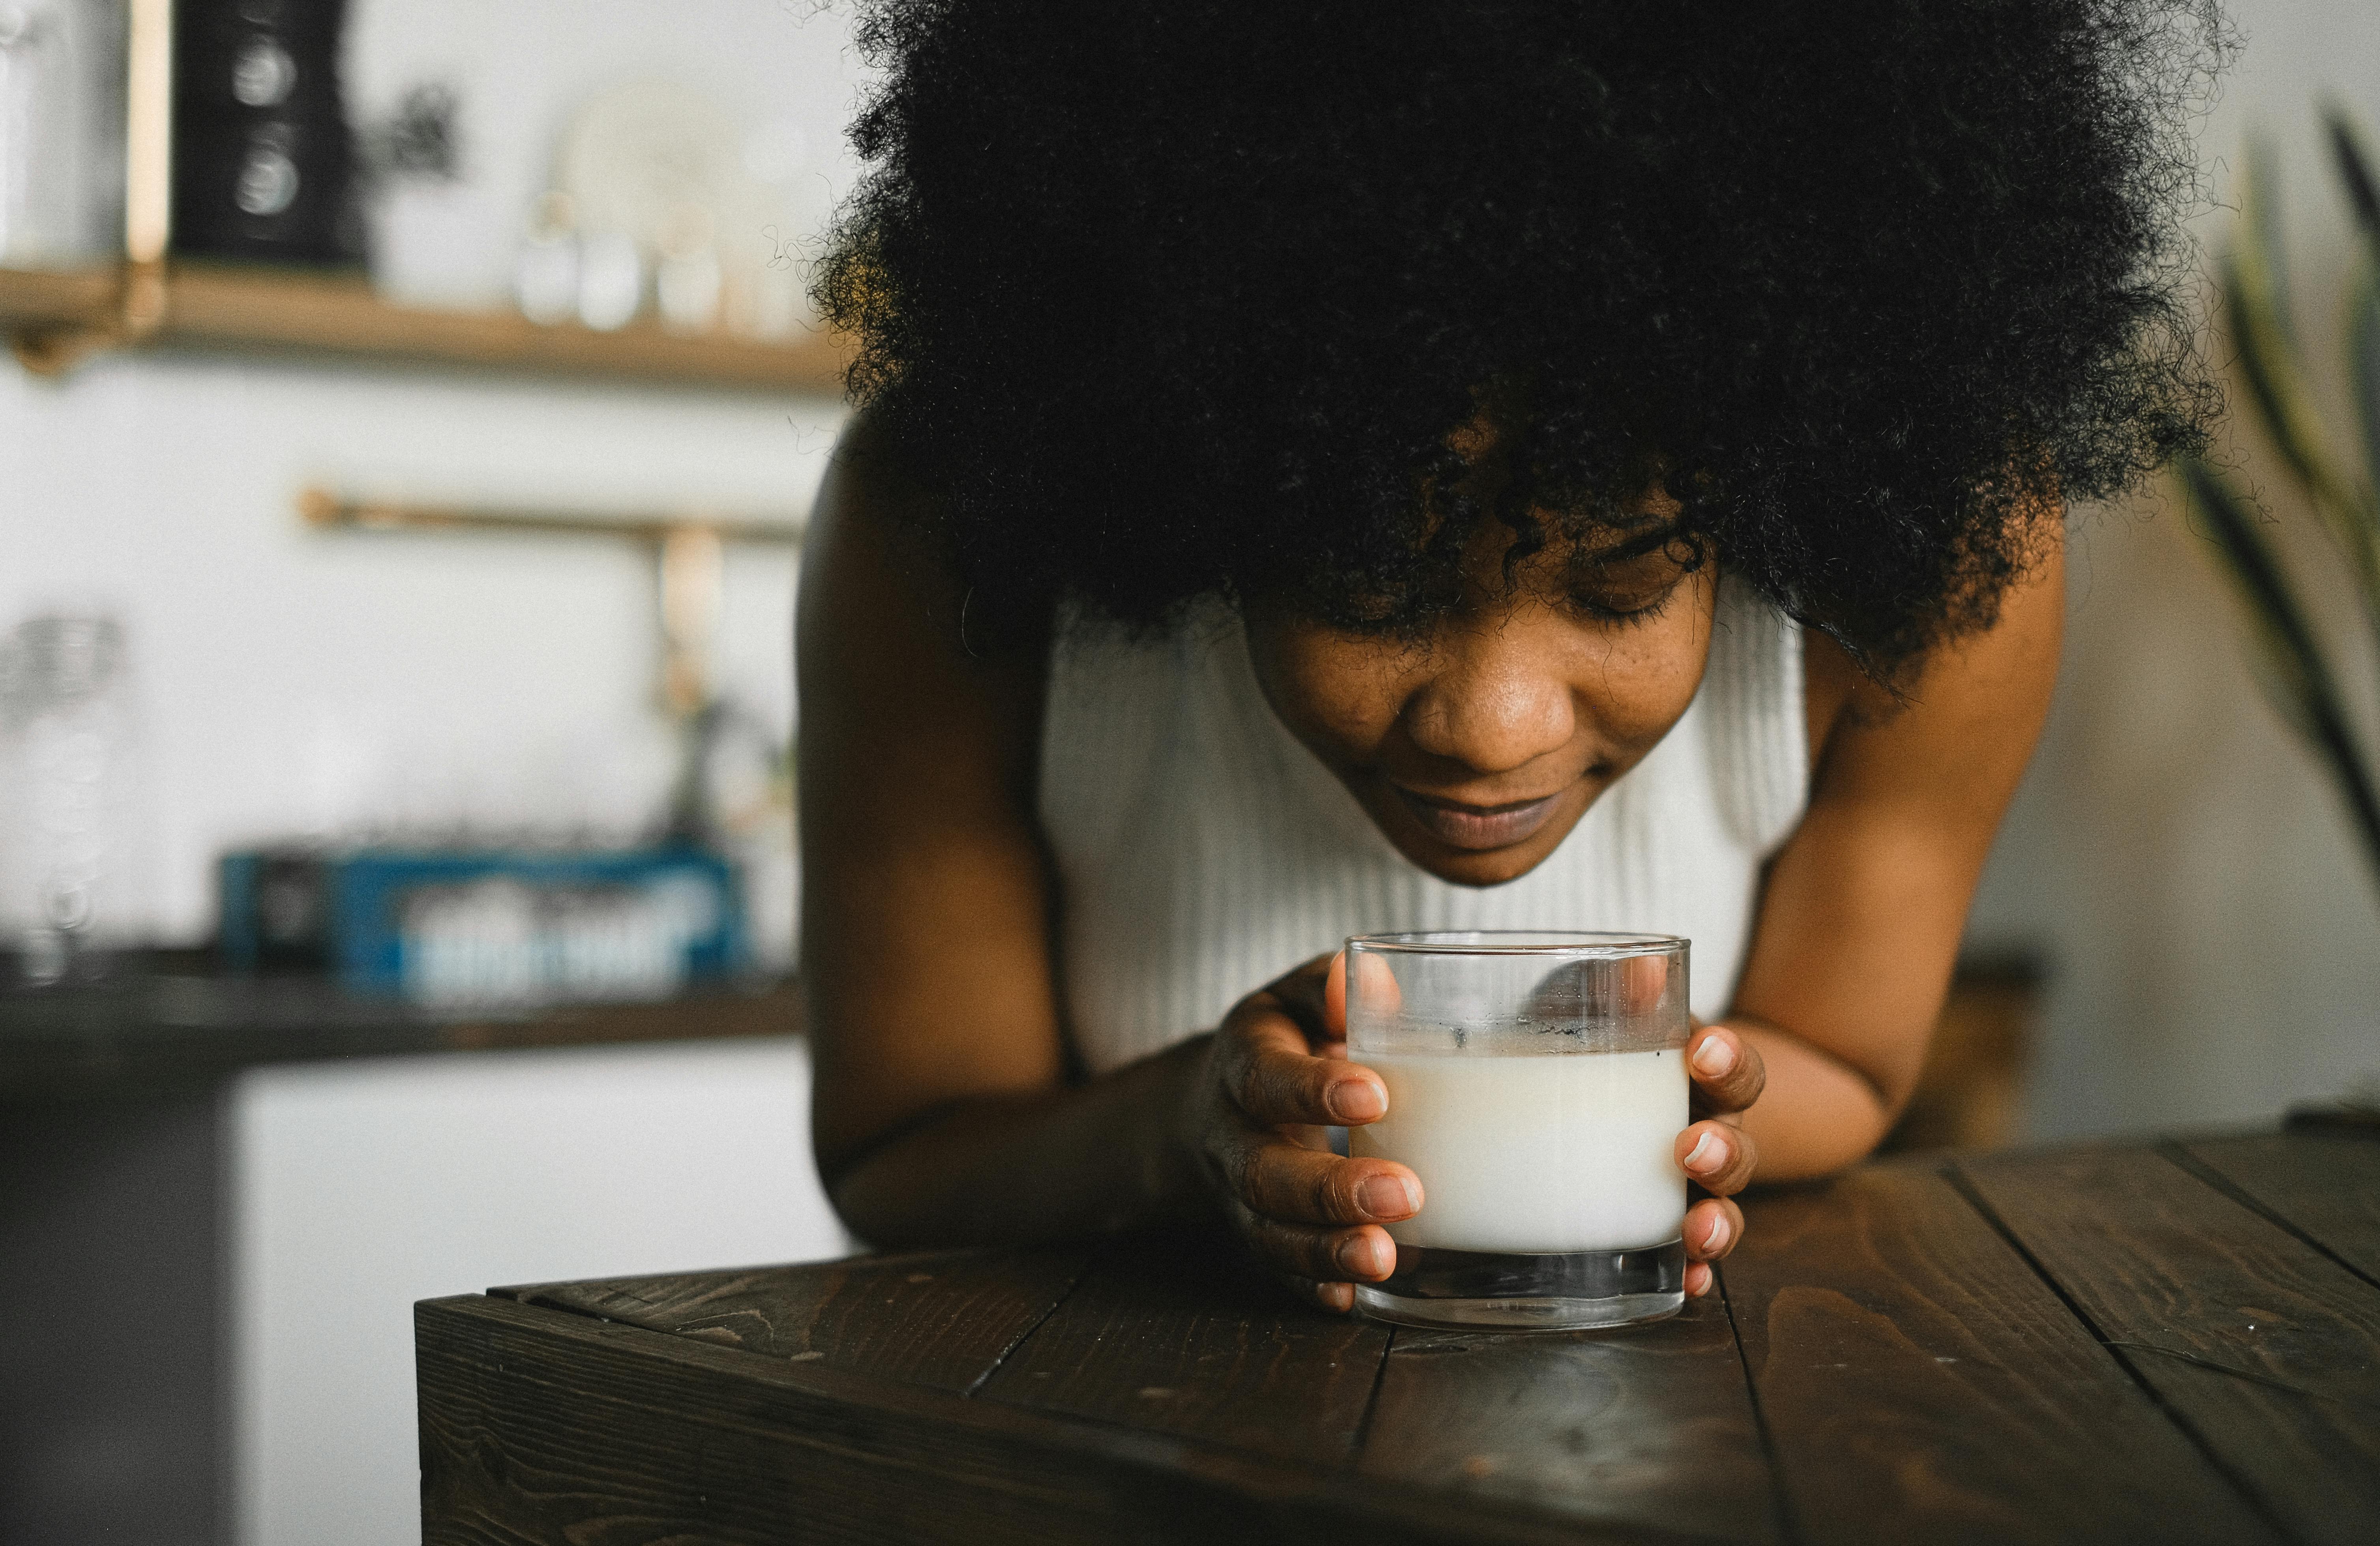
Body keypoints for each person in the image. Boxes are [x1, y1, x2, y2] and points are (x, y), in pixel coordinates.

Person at [795, 0, 2223, 1310]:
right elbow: (904, 1155)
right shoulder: (952, 547)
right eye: (1366, 580)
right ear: (1200, 478)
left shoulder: (1920, 584)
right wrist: (1185, 1128)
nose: (1492, 724)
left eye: (1623, 582)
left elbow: (1842, 1059)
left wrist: (1697, 1102)